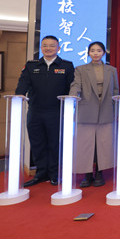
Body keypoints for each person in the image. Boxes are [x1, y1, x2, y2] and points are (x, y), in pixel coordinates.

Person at [15, 35, 74, 187]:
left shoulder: (67, 66)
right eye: (45, 45)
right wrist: (19, 94)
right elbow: (23, 82)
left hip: (56, 112)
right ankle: (41, 173)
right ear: (41, 48)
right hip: (35, 111)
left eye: (52, 45)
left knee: (55, 144)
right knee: (37, 143)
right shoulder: (31, 65)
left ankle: (54, 174)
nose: (48, 48)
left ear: (58, 48)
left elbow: (71, 87)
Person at [68, 41, 119, 188]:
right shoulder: (81, 69)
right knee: (85, 144)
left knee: (103, 144)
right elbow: (76, 85)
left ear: (103, 53)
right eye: (92, 50)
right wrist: (72, 96)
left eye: (99, 50)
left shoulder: (111, 70)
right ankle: (87, 174)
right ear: (88, 53)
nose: (95, 53)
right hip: (86, 109)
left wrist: (116, 109)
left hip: (106, 109)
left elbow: (115, 90)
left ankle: (100, 173)